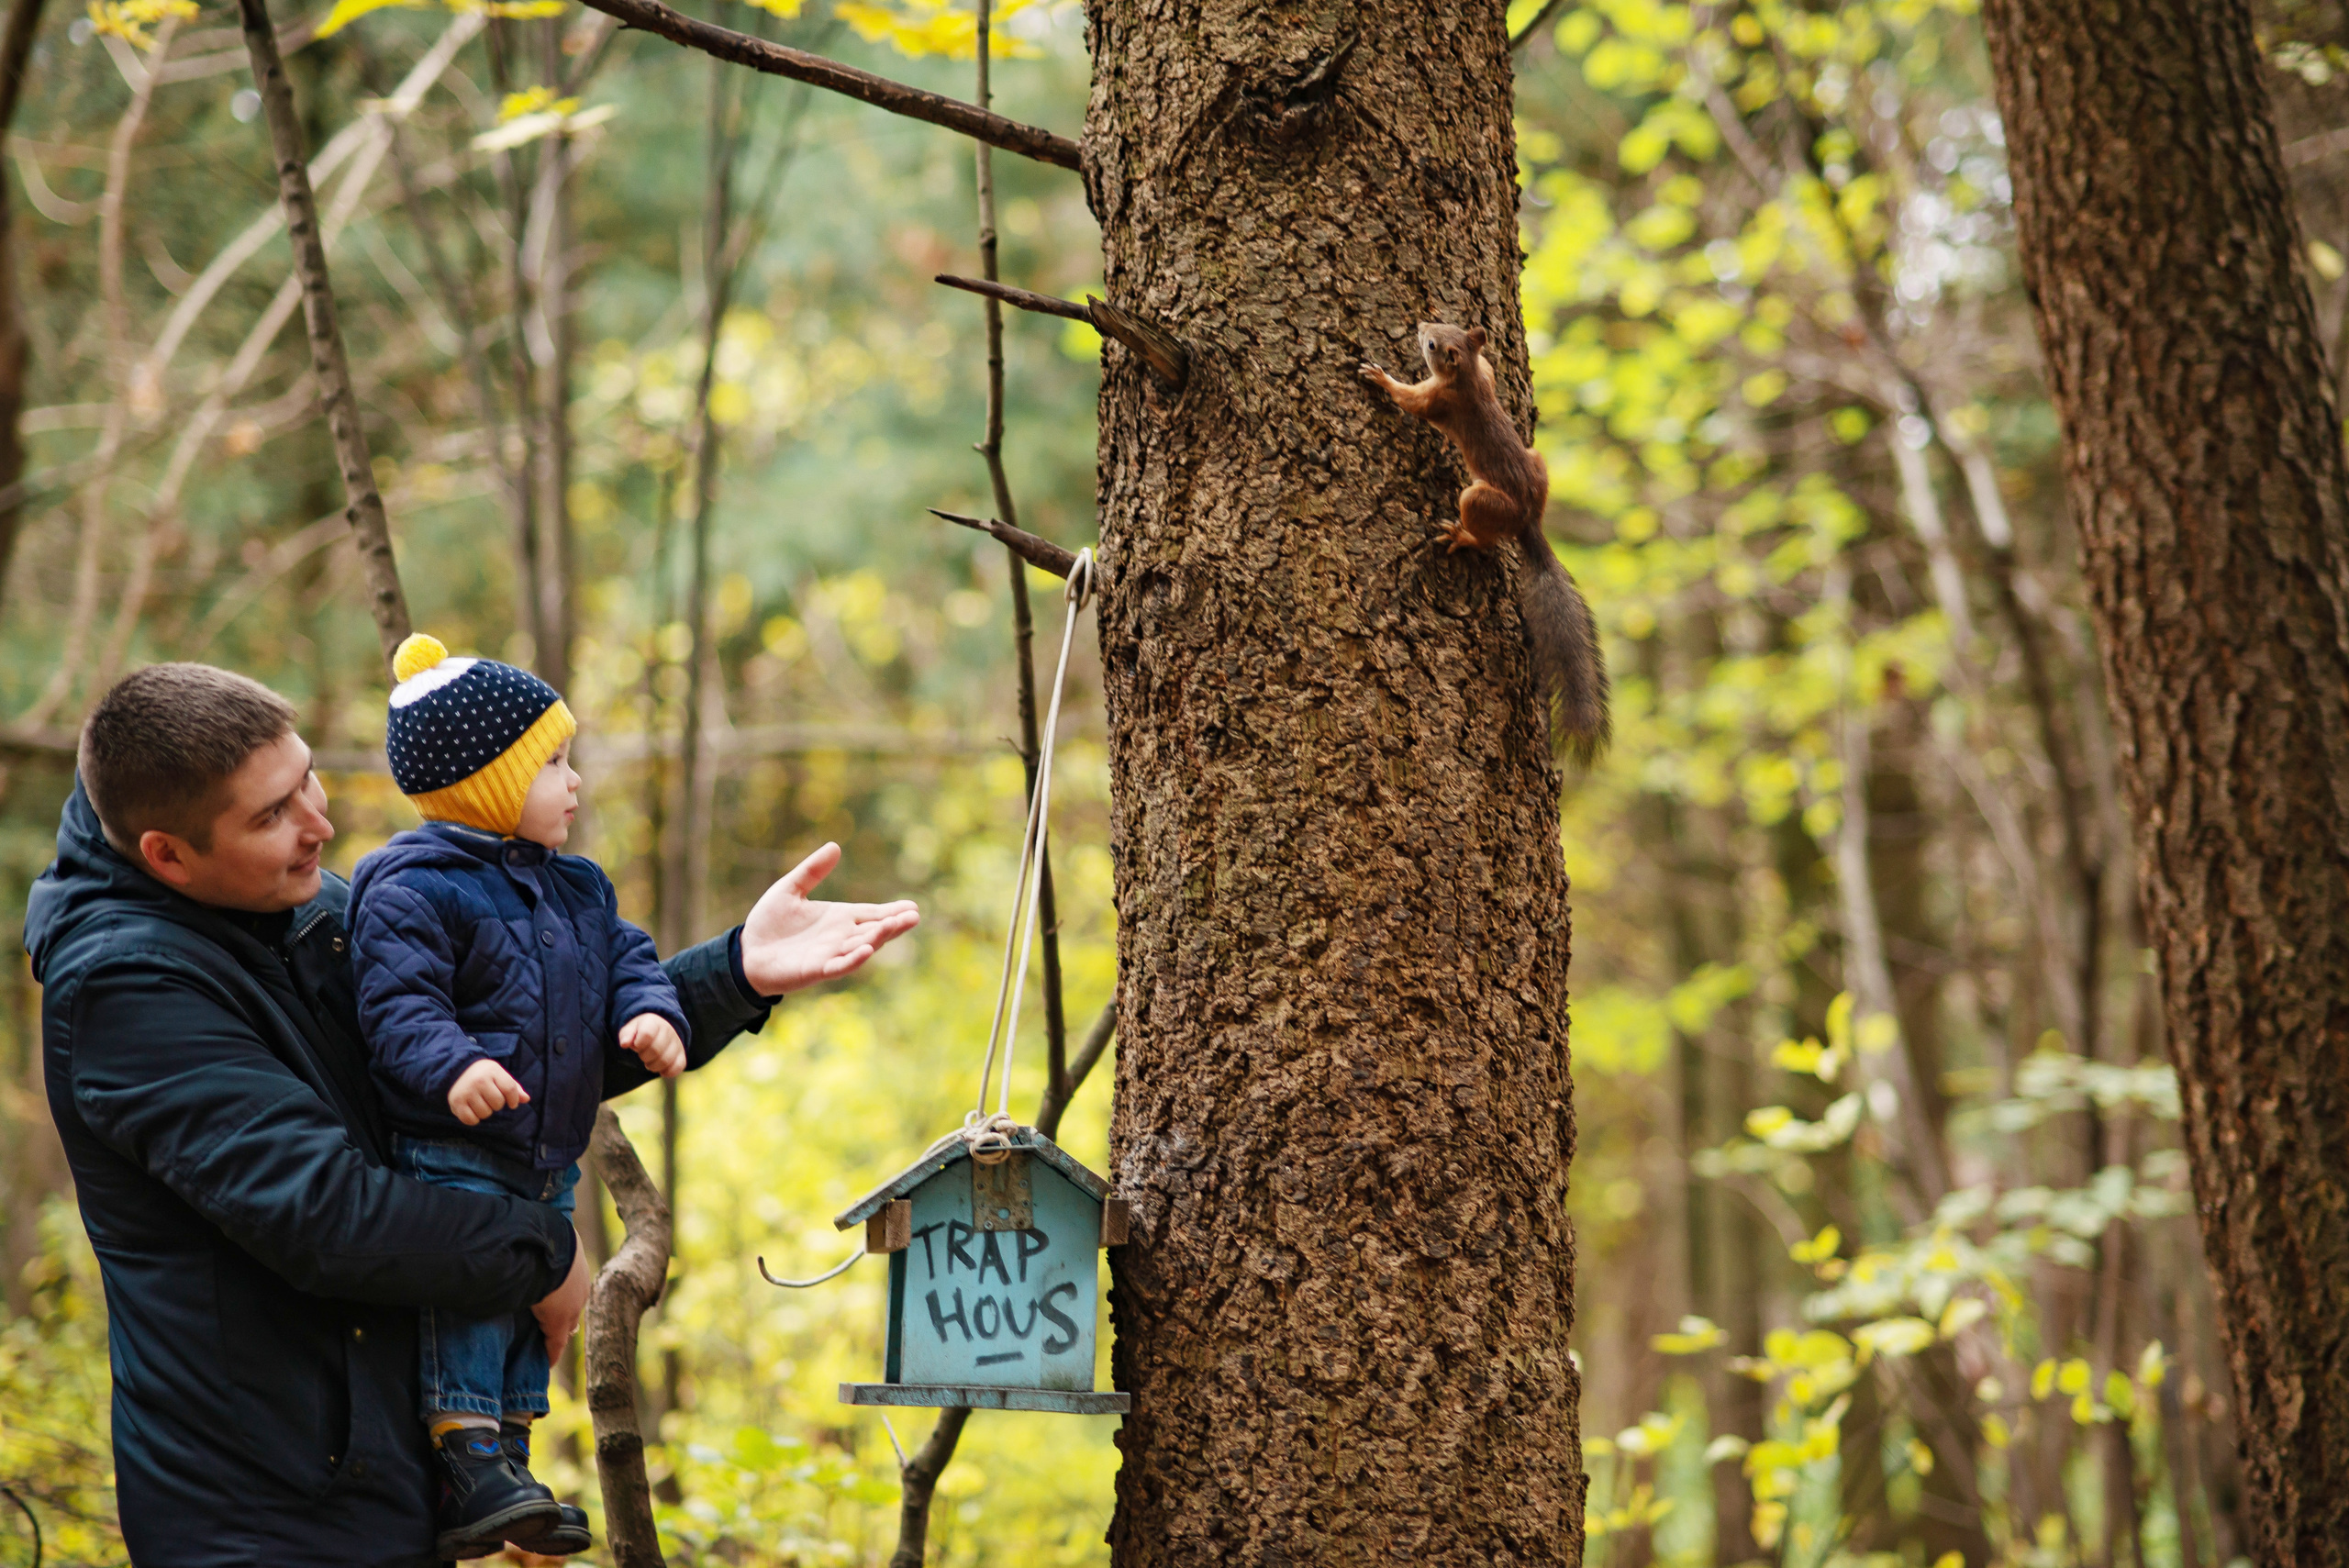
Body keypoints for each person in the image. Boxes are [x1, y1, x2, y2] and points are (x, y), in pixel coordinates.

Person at [26, 662, 918, 1567]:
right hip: (263, 1511)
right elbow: (328, 1217)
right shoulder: (126, 989)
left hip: (383, 1473)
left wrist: (732, 974)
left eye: (306, 781)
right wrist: (545, 1250)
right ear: (166, 853)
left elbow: (502, 1067)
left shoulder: (302, 906)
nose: (320, 824)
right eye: (271, 815)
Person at [347, 633, 695, 1558]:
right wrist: (453, 1064)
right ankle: (466, 1453)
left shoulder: (576, 884)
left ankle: (509, 1454)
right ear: (487, 781)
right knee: (466, 1292)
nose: (573, 782)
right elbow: (397, 1002)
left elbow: (628, 959)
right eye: (550, 763)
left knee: (528, 1314)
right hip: (453, 1147)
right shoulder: (409, 883)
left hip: (542, 1154)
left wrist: (654, 1014)